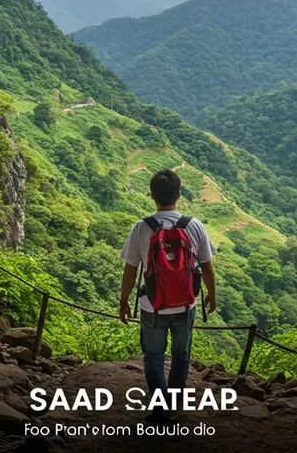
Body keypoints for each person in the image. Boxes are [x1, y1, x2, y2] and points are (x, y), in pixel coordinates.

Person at [117, 169, 217, 423]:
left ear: (152, 196)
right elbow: (206, 267)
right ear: (179, 195)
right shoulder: (194, 226)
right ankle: (172, 403)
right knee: (182, 355)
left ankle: (161, 408)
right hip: (186, 305)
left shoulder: (141, 228)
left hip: (152, 306)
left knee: (153, 357)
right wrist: (211, 295)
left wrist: (124, 301)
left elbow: (130, 270)